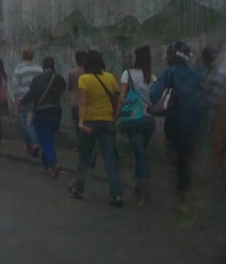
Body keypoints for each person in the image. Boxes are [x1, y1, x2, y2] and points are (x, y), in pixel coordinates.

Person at [69, 50, 124, 207]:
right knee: (111, 159)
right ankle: (117, 194)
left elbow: (83, 103)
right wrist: (114, 118)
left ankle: (78, 187)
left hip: (90, 123)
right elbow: (116, 99)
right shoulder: (110, 77)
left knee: (84, 157)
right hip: (107, 122)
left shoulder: (84, 79)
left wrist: (80, 122)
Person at [150, 41, 204, 199]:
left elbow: (154, 95)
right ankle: (185, 187)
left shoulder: (169, 73)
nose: (167, 57)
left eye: (169, 54)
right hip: (193, 126)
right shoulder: (196, 75)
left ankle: (179, 191)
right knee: (186, 157)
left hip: (174, 124)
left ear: (174, 56)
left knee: (174, 156)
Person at [116, 45, 156, 205]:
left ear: (137, 58)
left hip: (134, 119)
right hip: (149, 121)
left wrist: (117, 115)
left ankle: (144, 190)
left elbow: (121, 97)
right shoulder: (152, 77)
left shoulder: (128, 74)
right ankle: (139, 187)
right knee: (140, 153)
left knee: (140, 155)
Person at [20, 57, 66, 178]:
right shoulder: (59, 79)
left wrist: (22, 103)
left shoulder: (37, 80)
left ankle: (53, 163)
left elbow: (31, 95)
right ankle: (46, 166)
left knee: (45, 140)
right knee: (49, 139)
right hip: (56, 111)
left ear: (43, 66)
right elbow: (63, 92)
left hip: (42, 112)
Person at [12, 50, 44, 155]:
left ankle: (34, 143)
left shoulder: (19, 68)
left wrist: (16, 98)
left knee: (26, 123)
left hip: (24, 98)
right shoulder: (39, 68)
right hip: (37, 99)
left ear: (23, 56)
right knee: (32, 122)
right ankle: (29, 146)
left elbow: (15, 84)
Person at [68, 50, 86, 140]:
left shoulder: (72, 73)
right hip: (87, 102)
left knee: (78, 128)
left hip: (75, 102)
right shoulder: (89, 72)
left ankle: (82, 147)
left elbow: (69, 87)